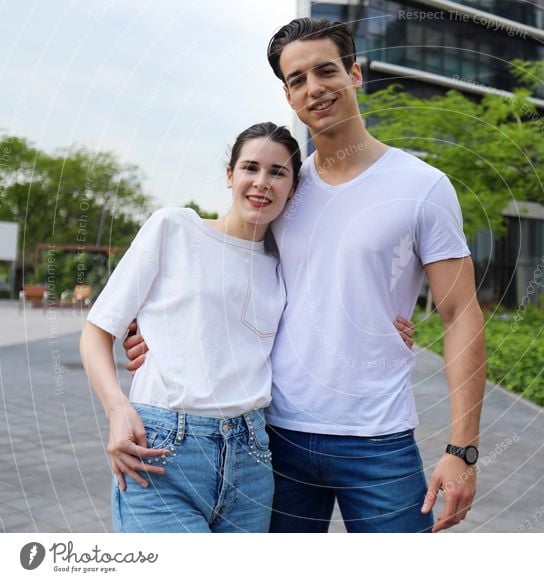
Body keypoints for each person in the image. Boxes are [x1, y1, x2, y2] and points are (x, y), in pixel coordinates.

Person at [127, 17, 487, 533]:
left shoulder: (423, 186)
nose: (314, 88)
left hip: (379, 439)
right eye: (298, 80)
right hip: (273, 439)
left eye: (325, 71)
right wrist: (149, 334)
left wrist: (463, 449)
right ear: (288, 95)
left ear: (355, 74)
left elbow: (462, 313)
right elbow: (220, 272)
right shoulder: (283, 189)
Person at [81, 121, 413, 532]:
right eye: (250, 168)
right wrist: (117, 409)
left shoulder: (284, 266)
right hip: (163, 448)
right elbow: (97, 331)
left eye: (278, 172)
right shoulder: (174, 229)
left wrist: (381, 331)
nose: (262, 182)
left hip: (252, 459)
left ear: (293, 189)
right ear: (229, 175)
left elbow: (330, 315)